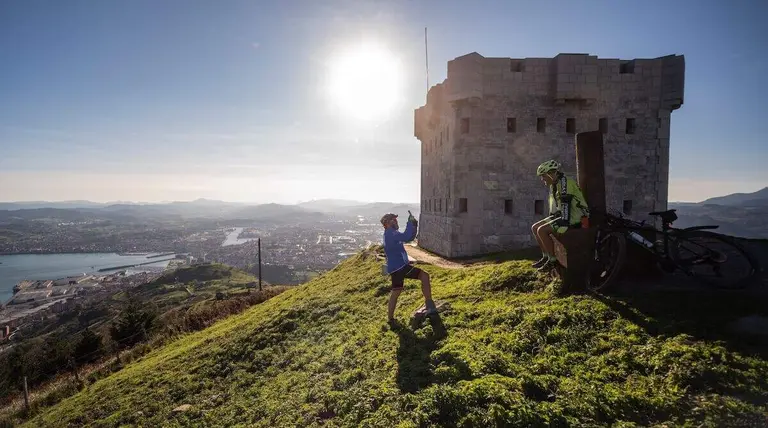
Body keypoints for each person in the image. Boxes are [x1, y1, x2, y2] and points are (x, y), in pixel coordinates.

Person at [531, 160, 590, 272]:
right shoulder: (555, 183)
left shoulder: (564, 183)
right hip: (563, 214)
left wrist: (565, 223)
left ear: (550, 174)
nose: (542, 179)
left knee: (541, 231)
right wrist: (553, 217)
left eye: (543, 176)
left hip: (575, 217)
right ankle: (546, 256)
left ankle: (552, 262)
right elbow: (556, 204)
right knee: (534, 227)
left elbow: (566, 203)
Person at [381, 212, 436, 323]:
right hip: (400, 267)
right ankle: (430, 306)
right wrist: (411, 222)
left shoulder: (388, 234)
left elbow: (408, 237)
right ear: (387, 223)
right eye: (394, 220)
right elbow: (407, 237)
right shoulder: (391, 233)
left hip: (395, 268)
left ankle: (390, 319)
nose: (396, 221)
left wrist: (412, 224)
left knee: (396, 292)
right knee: (424, 276)